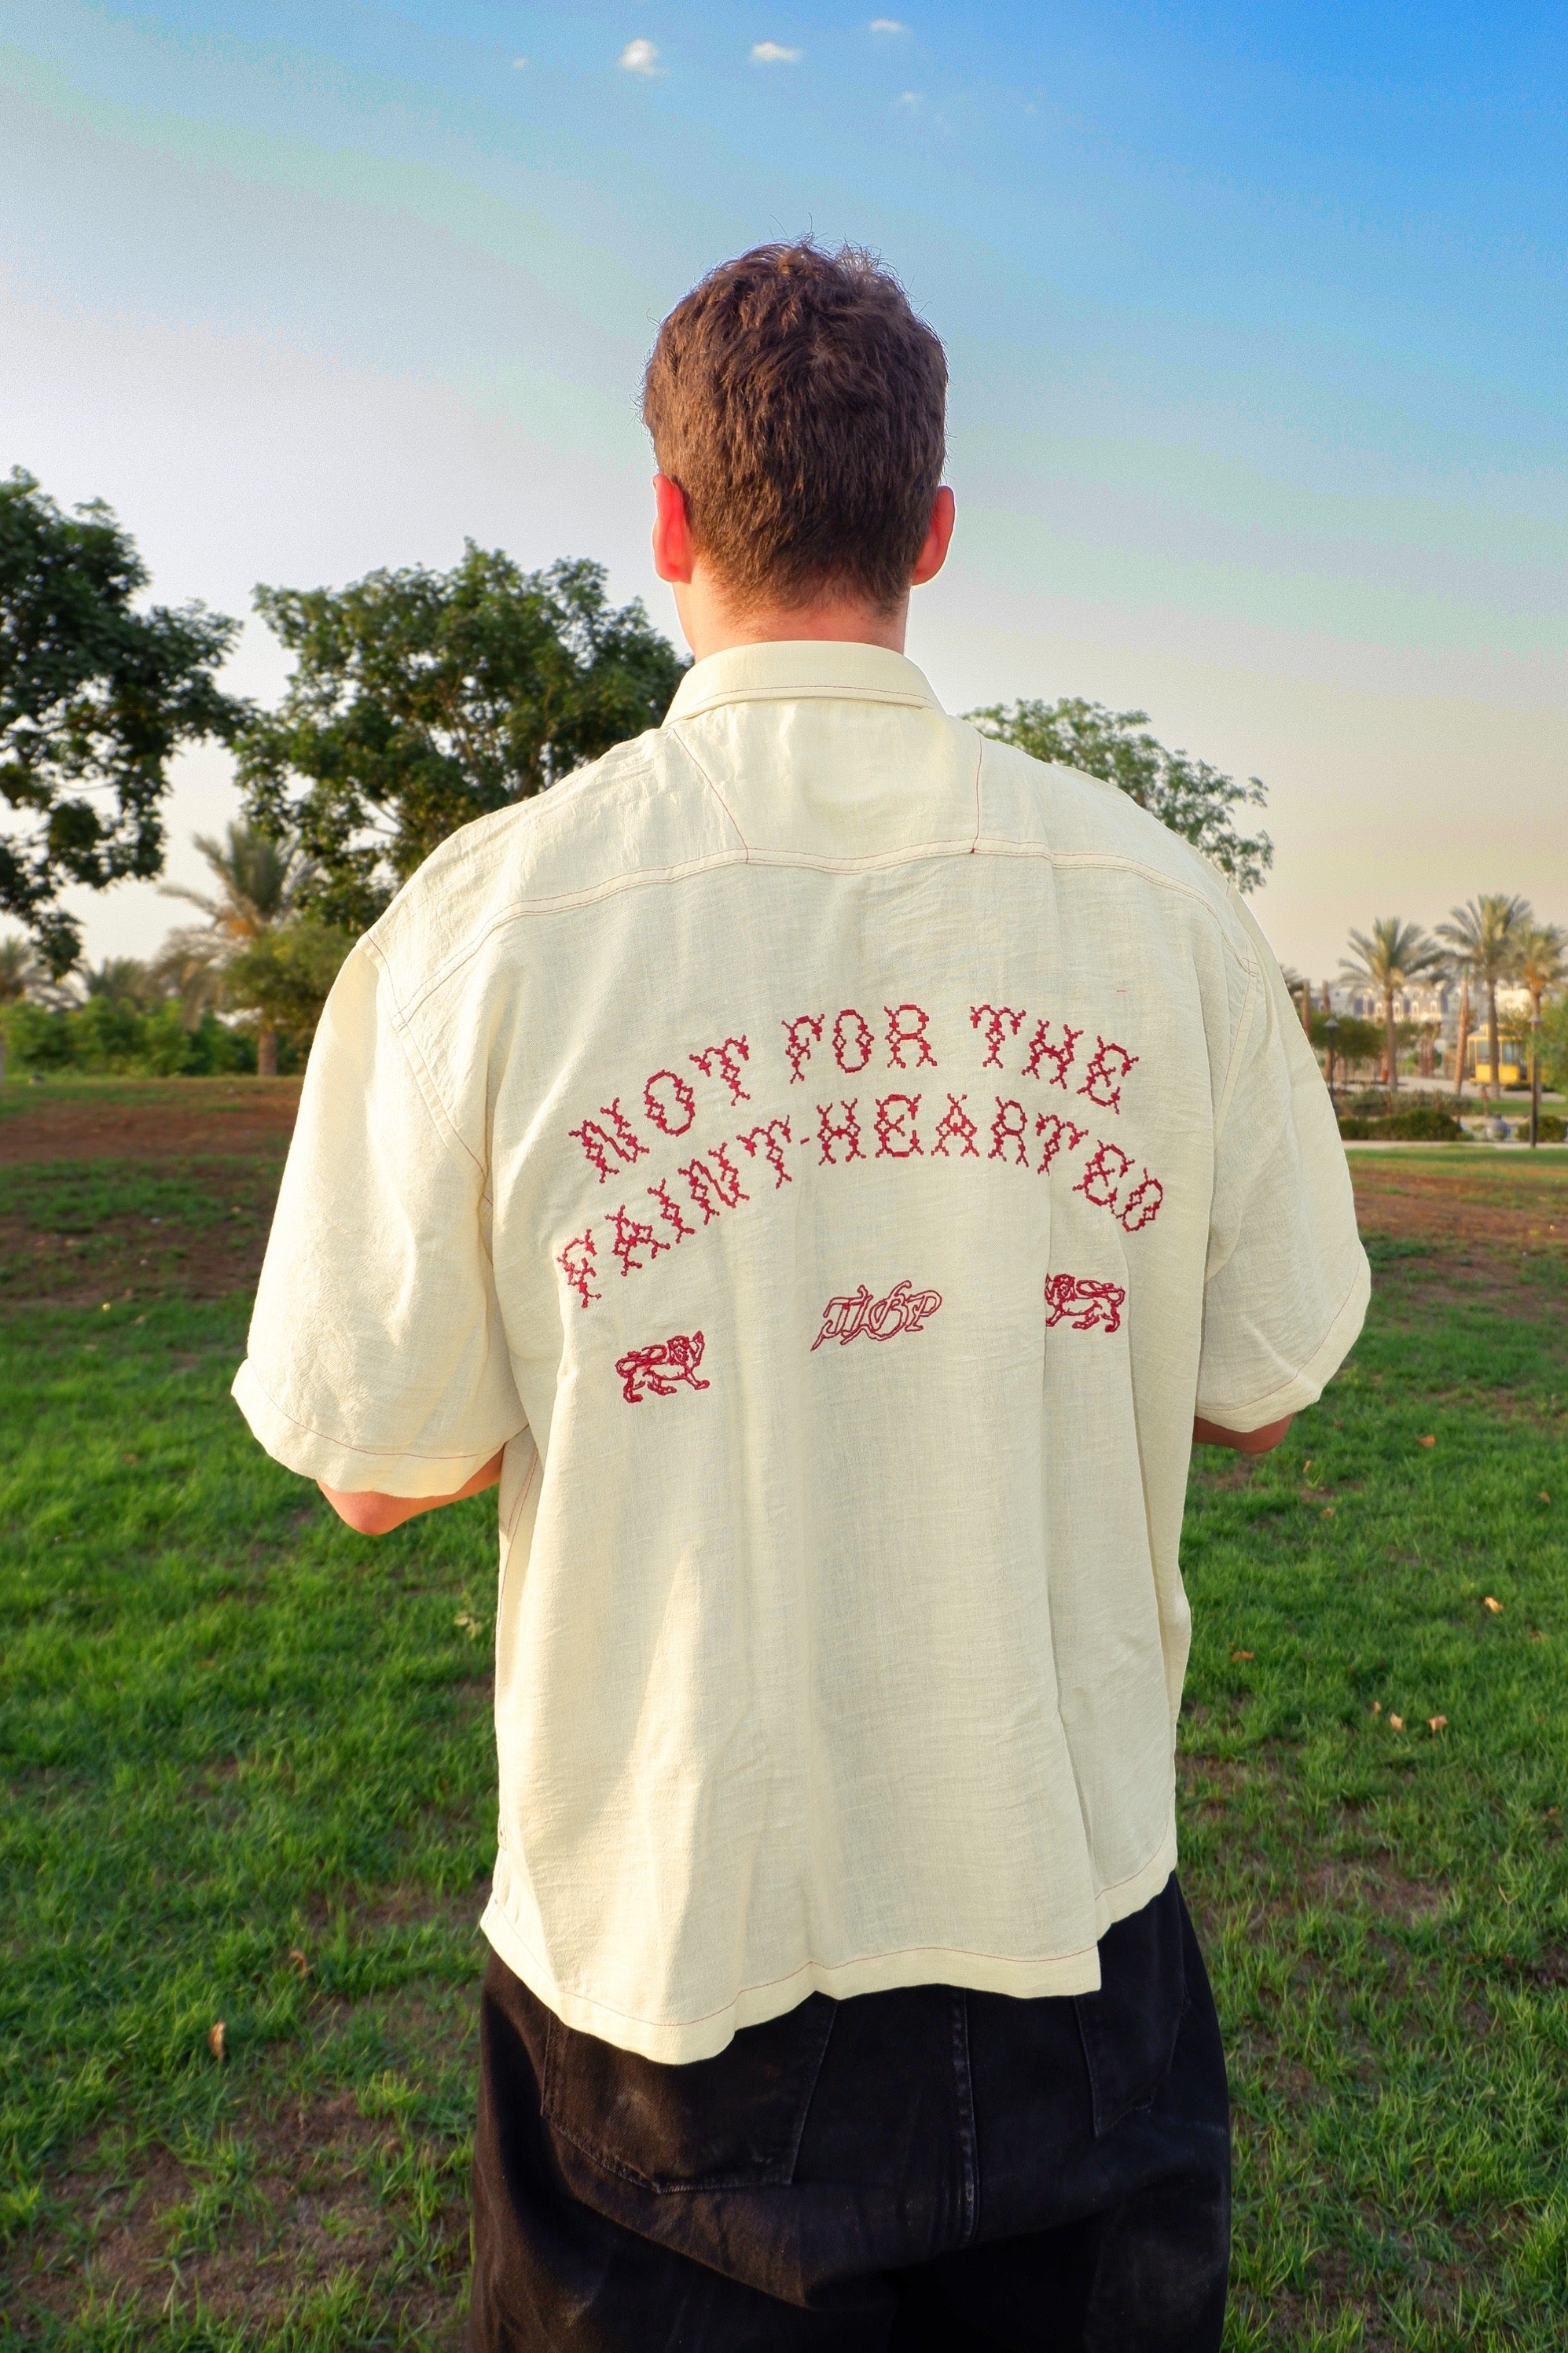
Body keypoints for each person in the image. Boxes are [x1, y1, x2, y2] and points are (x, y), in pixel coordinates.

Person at [234, 241, 1368, 2351]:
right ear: (930, 530)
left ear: (669, 521)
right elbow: (1264, 1384)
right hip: (1063, 1925)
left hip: (670, 1956)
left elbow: (378, 1465)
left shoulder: (485, 923)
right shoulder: (1161, 907)